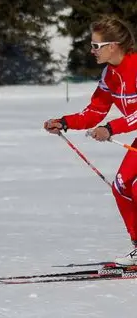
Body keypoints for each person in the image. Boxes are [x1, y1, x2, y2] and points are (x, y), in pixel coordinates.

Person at [44, 15, 137, 265]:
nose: (92, 50)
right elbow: (95, 111)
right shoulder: (109, 74)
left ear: (113, 45)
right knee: (121, 185)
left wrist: (111, 128)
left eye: (96, 46)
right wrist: (64, 122)